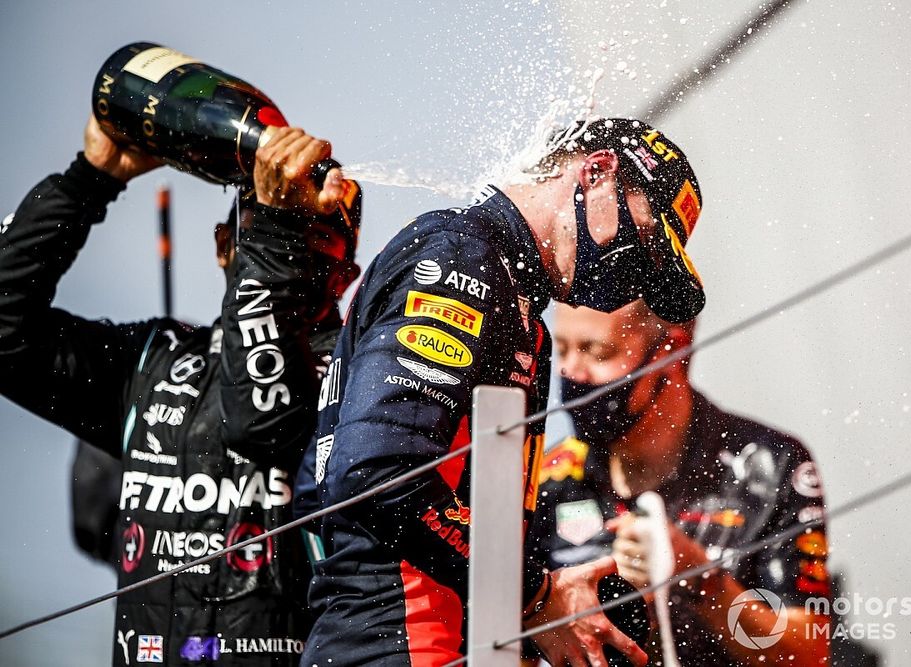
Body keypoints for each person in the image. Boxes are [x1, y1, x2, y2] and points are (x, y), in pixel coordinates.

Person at [294, 117, 706, 666]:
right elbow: (376, 474)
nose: (633, 276)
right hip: (401, 640)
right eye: (643, 242)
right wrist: (535, 596)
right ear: (597, 173)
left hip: (421, 638)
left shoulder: (508, 288)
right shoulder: (462, 259)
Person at [0, 115, 362, 666]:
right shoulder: (151, 359)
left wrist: (268, 228)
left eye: (311, 238)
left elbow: (261, 417)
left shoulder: (358, 374)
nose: (289, 252)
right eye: (265, 231)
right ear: (223, 247)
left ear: (345, 276)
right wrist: (90, 179)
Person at [526, 301, 832, 666]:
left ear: (672, 350)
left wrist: (698, 577)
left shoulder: (771, 464)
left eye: (598, 352)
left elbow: (810, 654)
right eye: (560, 349)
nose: (570, 370)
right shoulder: (546, 478)